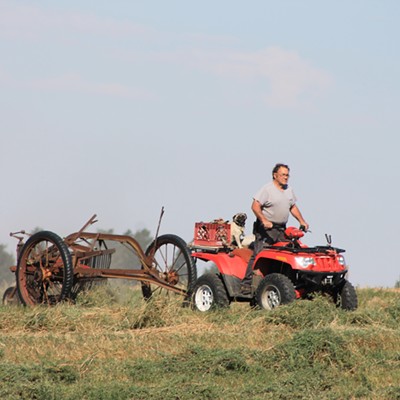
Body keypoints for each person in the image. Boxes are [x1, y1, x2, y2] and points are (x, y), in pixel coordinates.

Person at [241, 163, 309, 294]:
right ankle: (247, 283)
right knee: (259, 254)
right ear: (275, 175)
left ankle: (286, 284)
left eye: (287, 175)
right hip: (266, 229)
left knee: (287, 253)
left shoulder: (289, 190)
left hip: (281, 229)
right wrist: (264, 220)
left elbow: (293, 207)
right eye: (283, 175)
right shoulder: (267, 189)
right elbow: (255, 206)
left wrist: (302, 221)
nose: (286, 177)